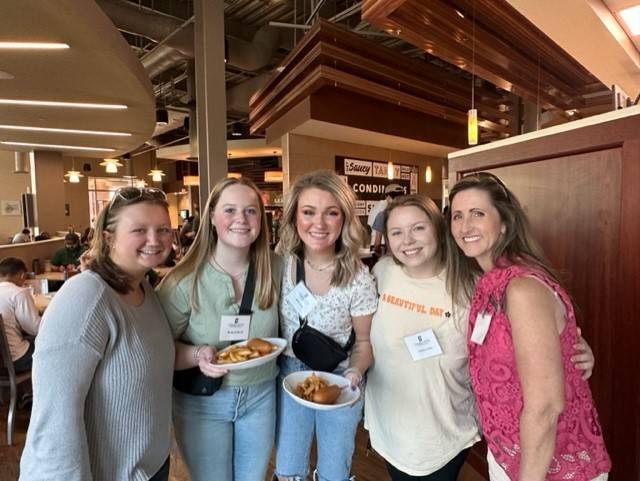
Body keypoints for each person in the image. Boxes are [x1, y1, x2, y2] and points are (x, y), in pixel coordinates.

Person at [366, 194, 598, 481]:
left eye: (418, 228)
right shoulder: (381, 272)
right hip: (387, 426)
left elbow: (525, 339)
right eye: (396, 232)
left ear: (439, 229)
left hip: (445, 433)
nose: (407, 240)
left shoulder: (475, 284)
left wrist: (574, 350)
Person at [446, 172, 610, 481]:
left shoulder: (521, 287)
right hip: (509, 452)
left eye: (477, 213)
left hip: (550, 466)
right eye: (457, 216)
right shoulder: (489, 282)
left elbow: (546, 407)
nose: (465, 226)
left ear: (505, 223)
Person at [20, 186, 175, 481]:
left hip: (151, 467)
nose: (155, 240)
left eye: (163, 229)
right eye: (139, 230)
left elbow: (153, 357)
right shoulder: (87, 296)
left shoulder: (144, 288)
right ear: (108, 237)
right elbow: (54, 419)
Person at [157, 177, 282, 481]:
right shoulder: (182, 281)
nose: (241, 219)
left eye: (251, 211)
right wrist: (197, 354)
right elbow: (156, 349)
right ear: (212, 216)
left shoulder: (276, 268)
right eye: (230, 210)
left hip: (261, 395)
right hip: (203, 402)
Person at [274, 170, 378, 481]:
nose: (318, 224)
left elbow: (364, 343)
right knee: (289, 466)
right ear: (295, 218)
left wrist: (354, 373)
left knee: (335, 469)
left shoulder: (358, 277)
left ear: (344, 220)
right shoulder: (280, 263)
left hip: (339, 377)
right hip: (290, 373)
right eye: (308, 212)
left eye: (331, 213)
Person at [0, 257, 41, 373]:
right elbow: (34, 329)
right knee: (54, 345)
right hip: (17, 360)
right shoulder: (19, 293)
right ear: (22, 275)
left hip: (2, 360)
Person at [371, 184, 405, 256]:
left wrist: (379, 256)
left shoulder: (382, 215)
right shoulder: (410, 213)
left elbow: (377, 244)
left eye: (386, 196)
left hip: (392, 258)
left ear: (388, 197)